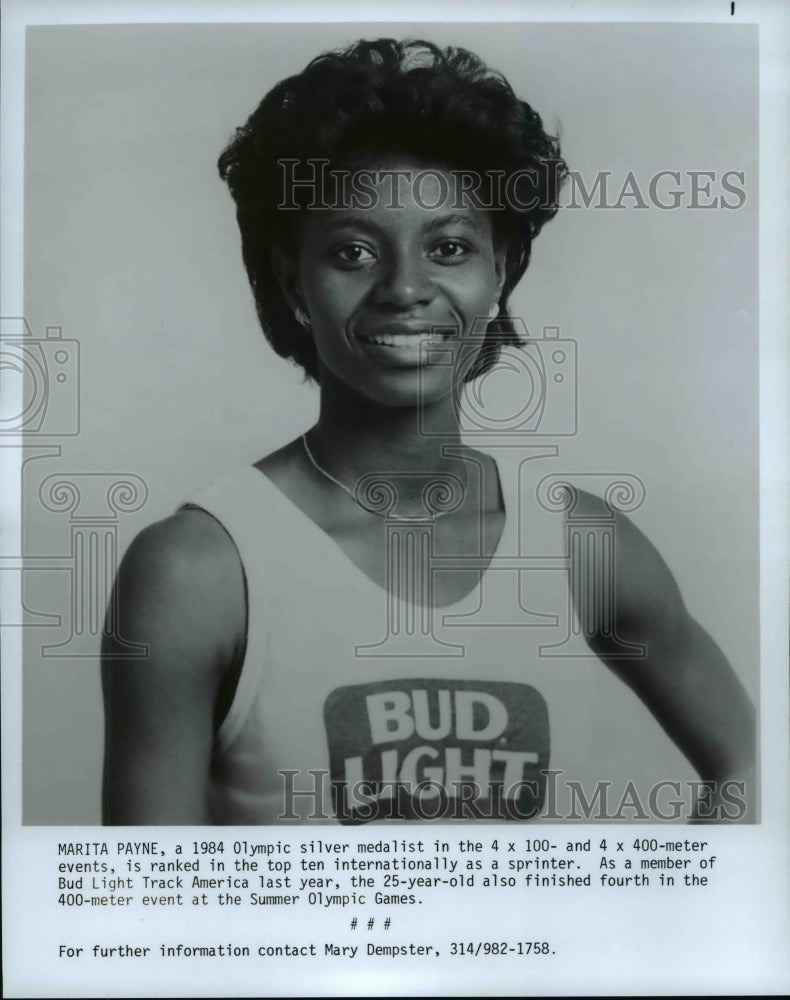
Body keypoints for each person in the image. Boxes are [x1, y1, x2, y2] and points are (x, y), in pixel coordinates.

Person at [101, 38, 755, 825]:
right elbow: (145, 892)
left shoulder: (580, 545)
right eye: (352, 251)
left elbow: (751, 761)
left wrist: (675, 895)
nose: (405, 289)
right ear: (292, 279)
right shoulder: (198, 572)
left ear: (499, 270)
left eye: (448, 248)